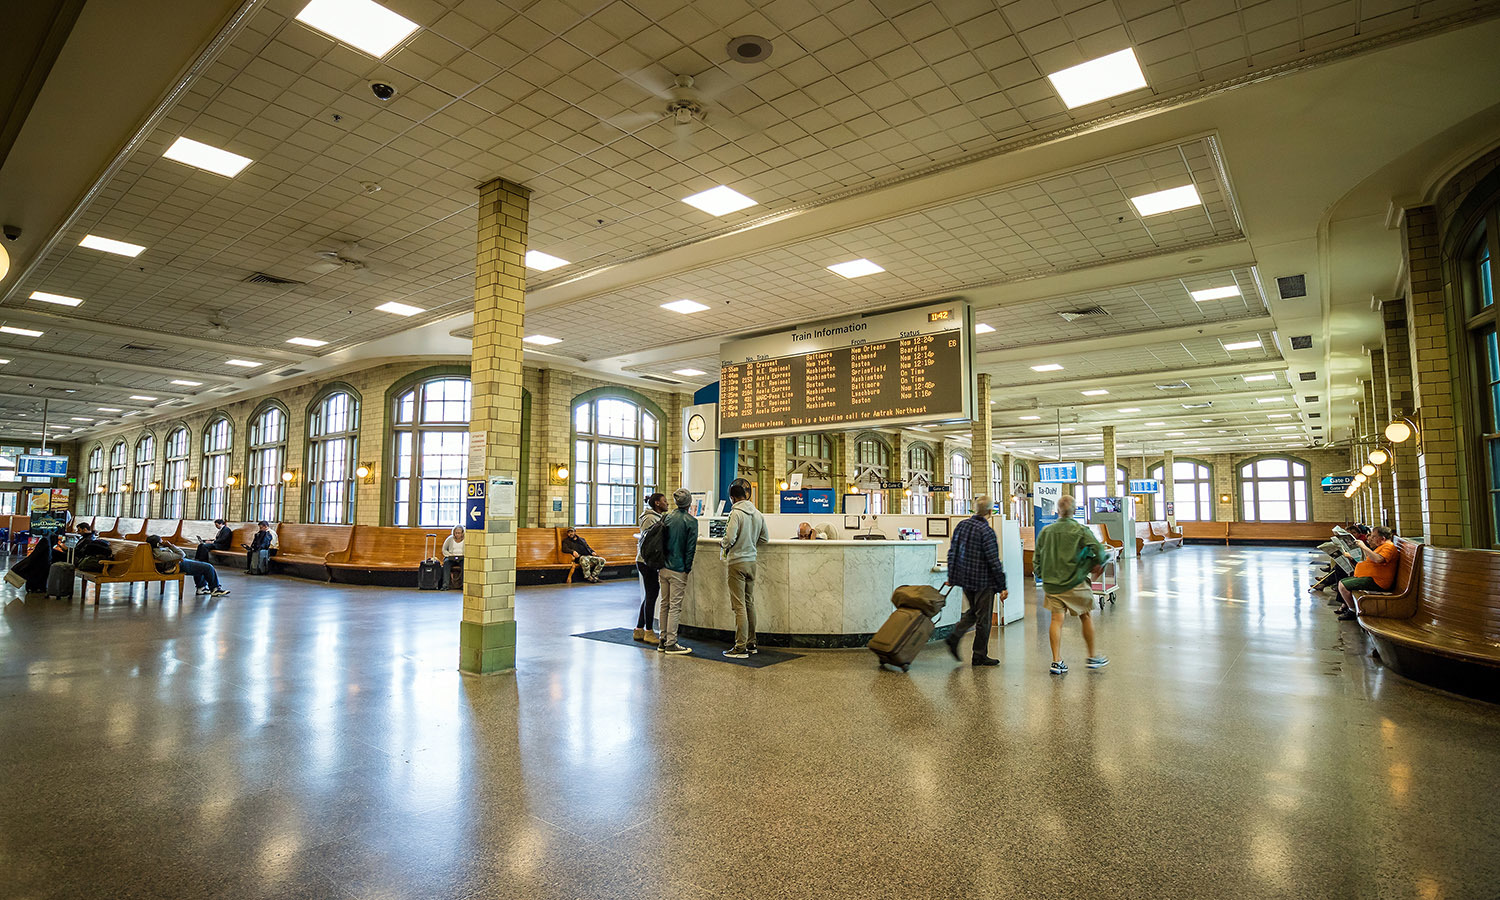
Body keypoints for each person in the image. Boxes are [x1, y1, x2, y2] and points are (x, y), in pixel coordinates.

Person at [1033, 494, 1109, 674]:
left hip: (1052, 585)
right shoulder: (1080, 530)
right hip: (1076, 583)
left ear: (1057, 511)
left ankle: (1056, 661)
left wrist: (1042, 574)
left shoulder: (1046, 531)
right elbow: (1098, 549)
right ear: (1074, 511)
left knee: (1056, 620)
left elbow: (1037, 557)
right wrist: (1100, 563)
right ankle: (1091, 657)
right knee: (1086, 616)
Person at [943, 495, 1008, 667]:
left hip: (966, 579)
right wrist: (1002, 586)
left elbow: (952, 552)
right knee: (984, 619)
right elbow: (994, 561)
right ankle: (979, 655)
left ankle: (954, 636)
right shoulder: (986, 531)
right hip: (984, 582)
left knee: (974, 611)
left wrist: (952, 576)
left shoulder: (962, 526)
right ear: (989, 511)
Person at [720, 480, 770, 658]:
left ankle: (739, 647)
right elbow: (765, 539)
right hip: (751, 562)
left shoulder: (736, 514)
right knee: (749, 603)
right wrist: (750, 543)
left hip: (737, 562)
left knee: (739, 606)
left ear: (732, 498)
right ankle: (751, 642)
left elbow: (729, 537)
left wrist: (724, 544)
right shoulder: (757, 513)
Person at [655, 488, 697, 656]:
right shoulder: (691, 521)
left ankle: (662, 639)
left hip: (664, 566)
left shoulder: (667, 517)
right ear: (689, 503)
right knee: (675, 607)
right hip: (678, 569)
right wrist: (687, 568)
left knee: (664, 603)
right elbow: (690, 549)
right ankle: (672, 643)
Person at [1333, 525, 1399, 621]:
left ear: (1383, 538)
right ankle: (1347, 606)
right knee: (1343, 579)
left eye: (1374, 536)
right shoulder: (1382, 546)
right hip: (1370, 577)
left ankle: (1352, 611)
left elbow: (1378, 559)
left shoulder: (1389, 547)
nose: (1371, 538)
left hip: (1377, 581)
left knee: (1343, 585)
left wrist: (1363, 547)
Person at [634, 492, 667, 644]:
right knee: (652, 596)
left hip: (645, 561)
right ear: (657, 504)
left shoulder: (650, 516)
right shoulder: (651, 519)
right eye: (664, 501)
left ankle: (639, 629)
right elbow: (654, 541)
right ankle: (649, 631)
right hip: (648, 562)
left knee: (649, 595)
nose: (667, 503)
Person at [147, 535, 230, 597]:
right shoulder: (160, 554)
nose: (163, 542)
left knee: (199, 565)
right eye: (161, 541)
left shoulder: (156, 551)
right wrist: (170, 545)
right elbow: (181, 554)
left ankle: (201, 588)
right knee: (208, 567)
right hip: (177, 565)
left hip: (175, 563)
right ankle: (215, 589)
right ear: (158, 544)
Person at [441, 525, 464, 590]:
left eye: (459, 533)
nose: (457, 534)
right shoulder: (450, 539)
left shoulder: (465, 540)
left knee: (465, 564)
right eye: (456, 533)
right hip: (451, 557)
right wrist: (449, 555)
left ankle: (463, 585)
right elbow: (444, 549)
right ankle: (445, 585)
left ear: (462, 533)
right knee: (446, 563)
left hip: (462, 557)